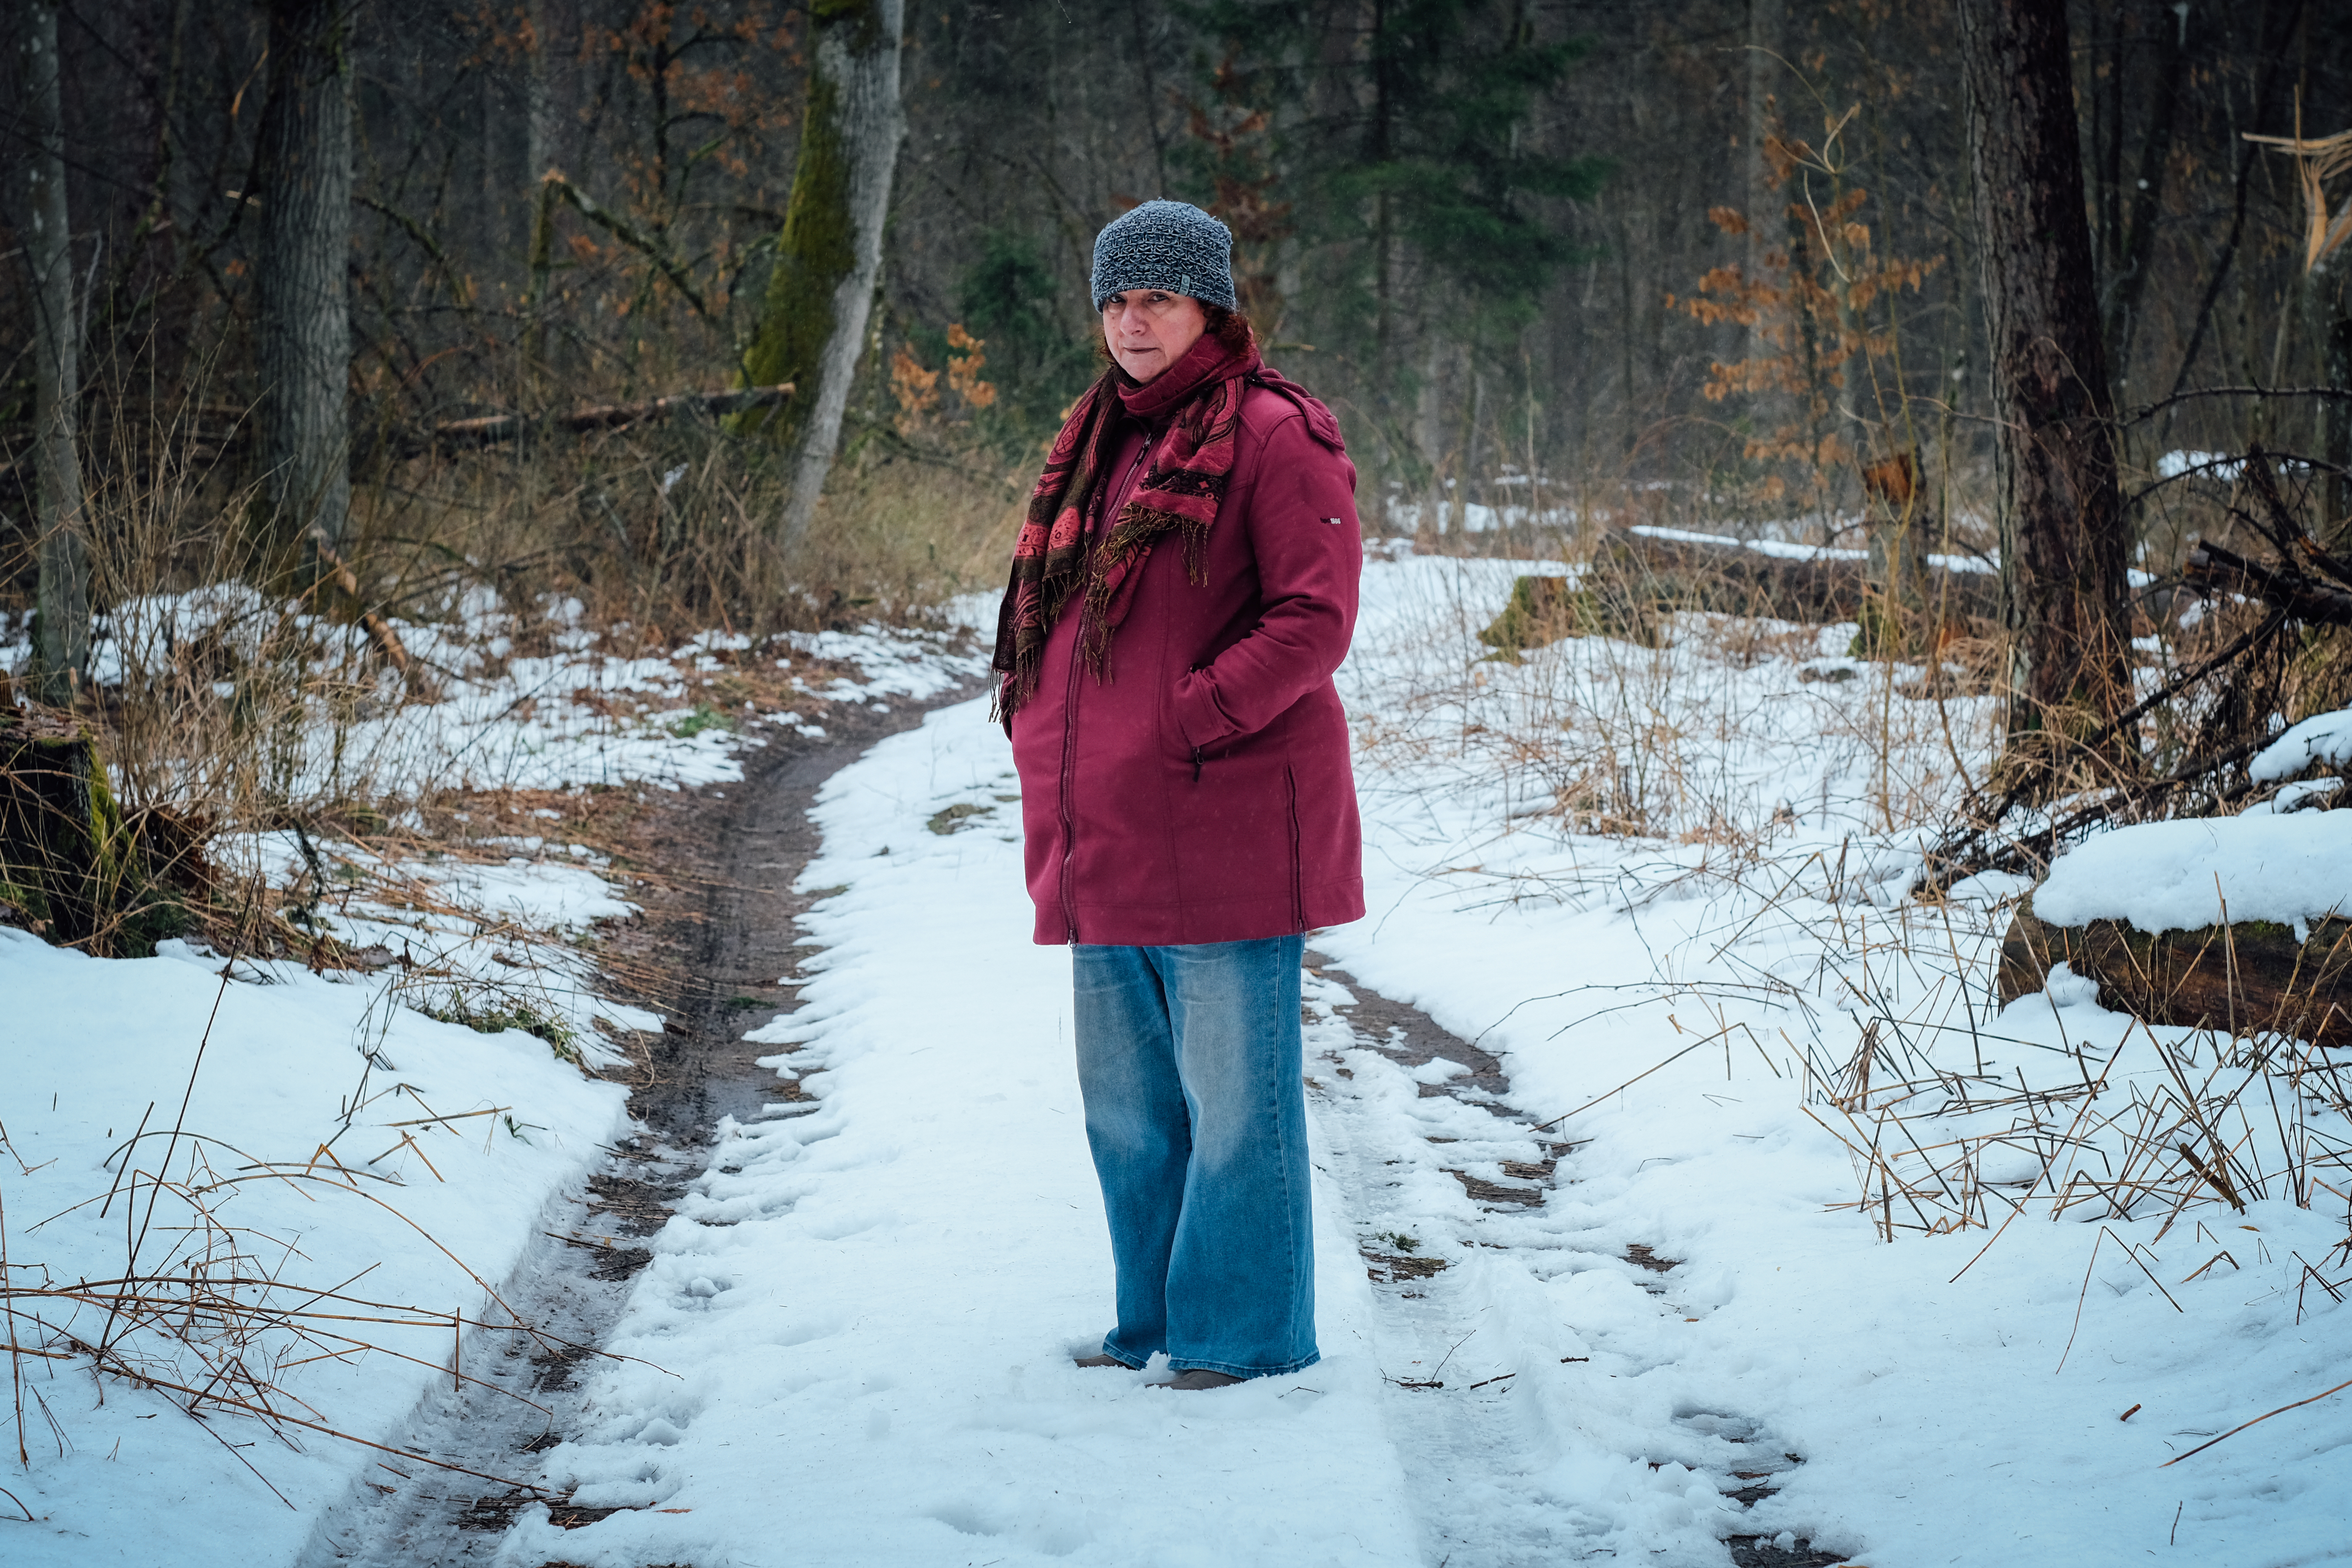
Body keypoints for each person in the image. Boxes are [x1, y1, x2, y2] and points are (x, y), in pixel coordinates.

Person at [992, 200, 1365, 1392]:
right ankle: (1150, 1323)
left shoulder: (1276, 432)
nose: (1131, 321)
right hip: (1103, 835)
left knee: (1237, 1115)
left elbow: (1315, 619)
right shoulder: (1098, 439)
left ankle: (1240, 1336)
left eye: (1156, 297)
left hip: (1227, 824)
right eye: (1114, 298)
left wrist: (1187, 720)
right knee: (1131, 1119)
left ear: (1209, 303)